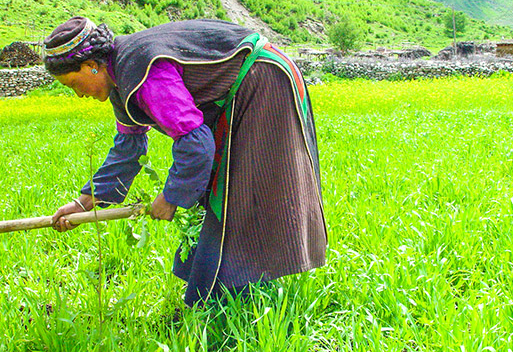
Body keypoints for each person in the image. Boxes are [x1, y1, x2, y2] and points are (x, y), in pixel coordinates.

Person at [43, 16, 327, 306]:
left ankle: (229, 302)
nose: (79, 94)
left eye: (73, 84)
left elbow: (195, 142)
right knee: (225, 192)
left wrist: (171, 197)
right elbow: (128, 149)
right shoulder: (119, 80)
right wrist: (83, 203)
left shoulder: (144, 73)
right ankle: (223, 297)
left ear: (92, 65)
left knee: (239, 192)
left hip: (263, 81)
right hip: (244, 89)